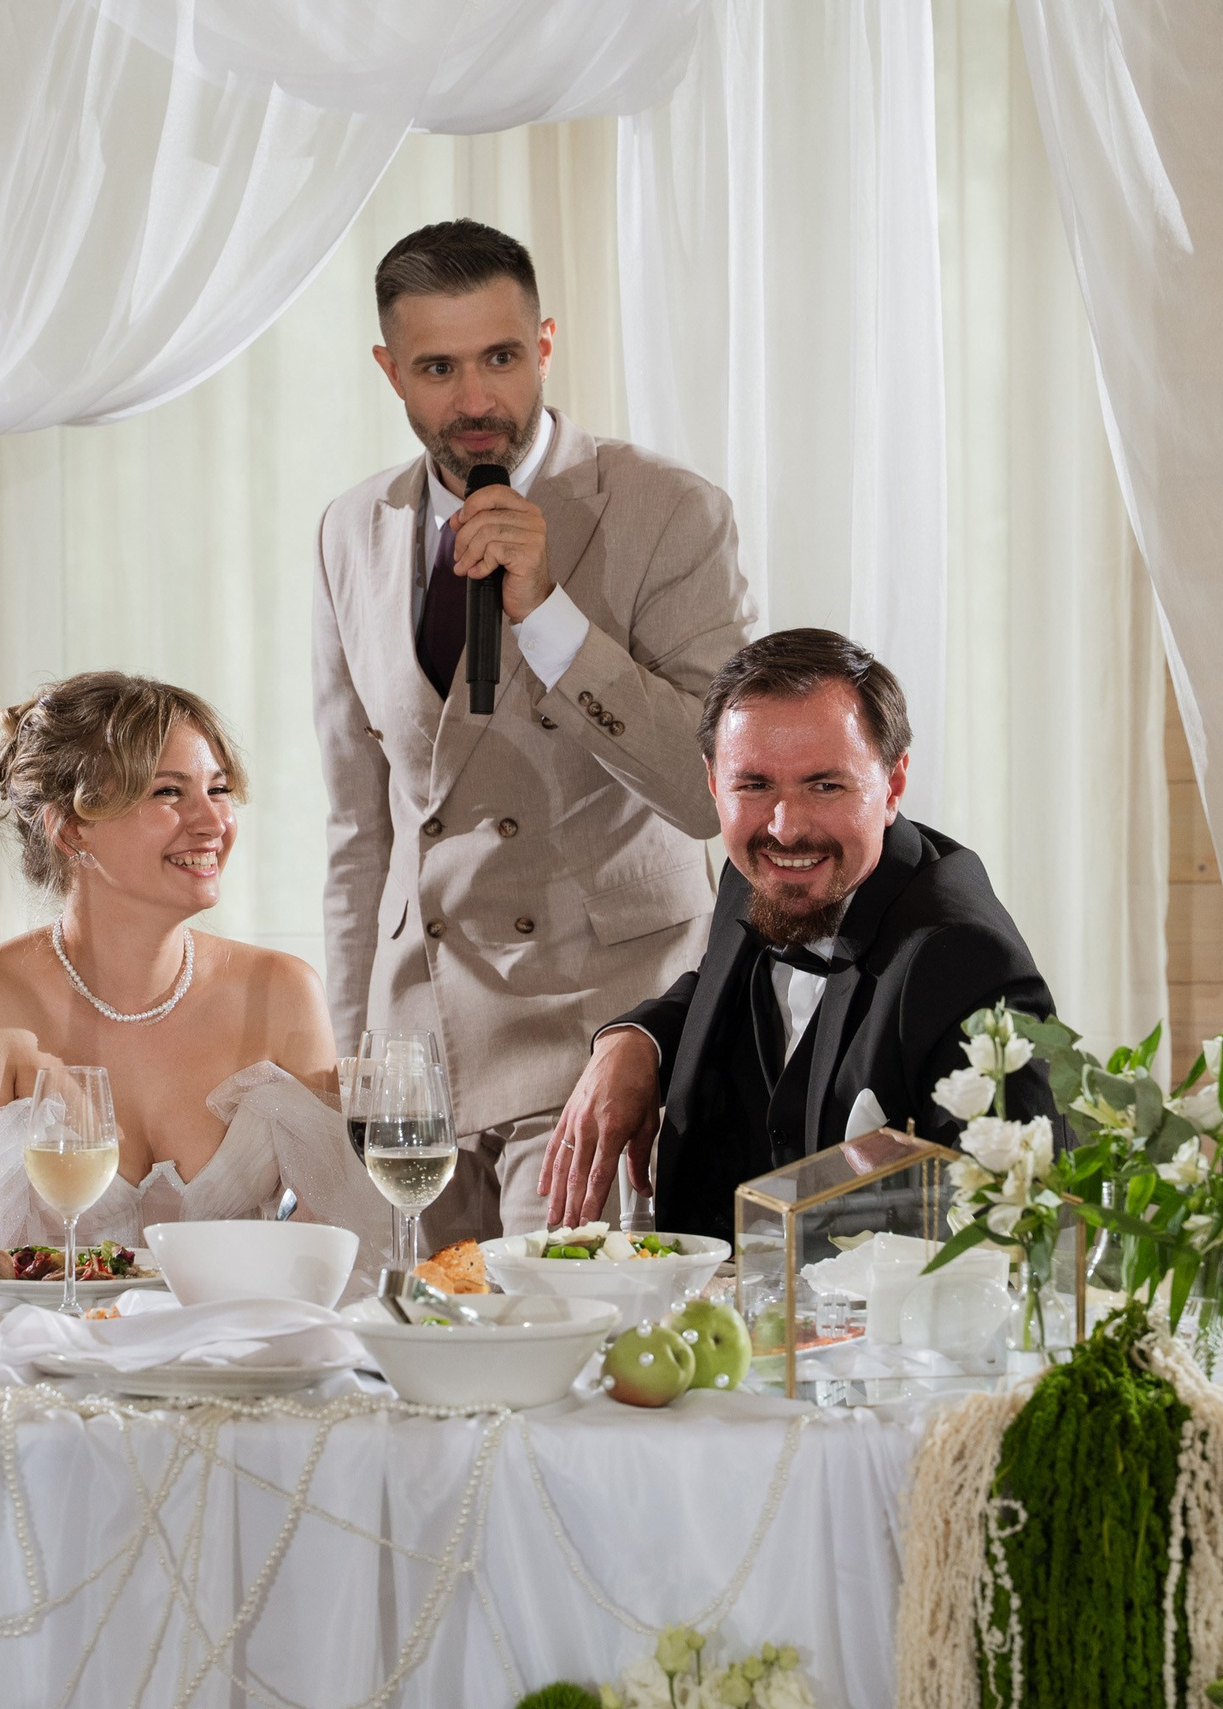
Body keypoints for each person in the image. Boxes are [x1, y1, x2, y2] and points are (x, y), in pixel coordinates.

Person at [314, 219, 758, 1243]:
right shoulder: (351, 528)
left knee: (560, 1368)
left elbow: (706, 793)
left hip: (592, 1040)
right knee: (422, 1374)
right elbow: (356, 825)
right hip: (414, 1056)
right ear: (389, 371)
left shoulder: (667, 511)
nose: (475, 400)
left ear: (545, 343)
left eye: (501, 358)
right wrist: (357, 1058)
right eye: (438, 367)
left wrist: (549, 615)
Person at [0, 673, 389, 1275]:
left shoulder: (282, 992)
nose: (212, 823)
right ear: (72, 828)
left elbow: (330, 1249)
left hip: (231, 1351)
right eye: (167, 792)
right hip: (45, 1353)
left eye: (220, 788)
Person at [542, 629, 1058, 1239]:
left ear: (892, 786)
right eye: (754, 785)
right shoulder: (754, 874)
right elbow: (723, 988)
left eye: (824, 785)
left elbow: (1015, 1231)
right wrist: (636, 1040)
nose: (785, 829)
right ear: (713, 783)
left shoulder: (964, 960)